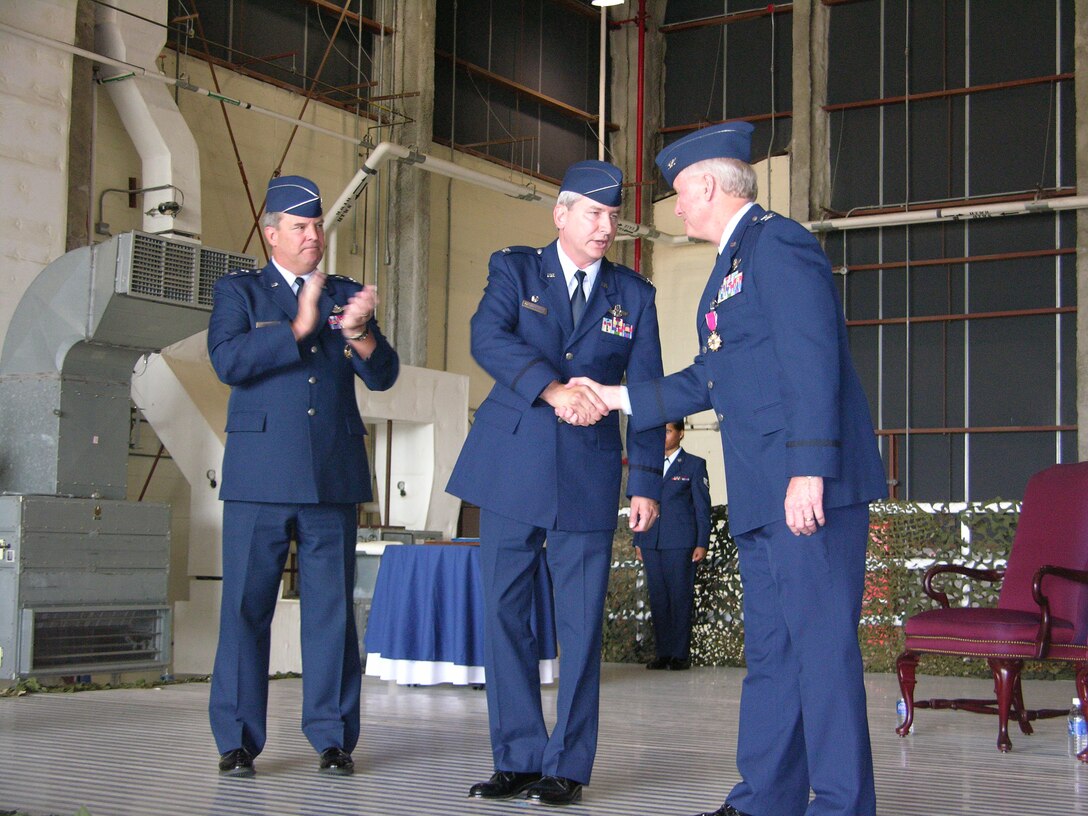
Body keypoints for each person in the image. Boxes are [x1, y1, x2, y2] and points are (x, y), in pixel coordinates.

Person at [564, 122, 886, 816]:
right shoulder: (729, 270)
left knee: (822, 654)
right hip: (764, 492)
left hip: (807, 491)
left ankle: (840, 804)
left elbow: (813, 358)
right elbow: (708, 376)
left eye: (678, 194)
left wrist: (809, 471)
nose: (675, 209)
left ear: (707, 185)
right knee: (771, 652)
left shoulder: (781, 246)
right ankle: (765, 798)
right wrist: (617, 396)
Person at [445, 160, 664, 806]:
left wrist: (645, 482)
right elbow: (486, 337)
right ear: (560, 214)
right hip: (511, 469)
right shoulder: (514, 270)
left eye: (613, 216)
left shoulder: (635, 296)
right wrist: (553, 387)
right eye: (593, 214)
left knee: (579, 626)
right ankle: (515, 756)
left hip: (588, 478)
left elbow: (648, 395)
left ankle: (566, 763)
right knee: (505, 616)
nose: (606, 227)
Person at [206, 174, 399, 778]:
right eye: (300, 227)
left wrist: (360, 331)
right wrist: (298, 328)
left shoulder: (345, 294)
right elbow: (227, 361)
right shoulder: (241, 292)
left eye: (316, 226)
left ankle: (333, 738)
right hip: (259, 477)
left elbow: (385, 375)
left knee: (331, 613)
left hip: (331, 479)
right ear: (271, 233)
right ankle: (237, 741)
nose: (312, 235)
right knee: (245, 609)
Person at [635, 420, 711, 671]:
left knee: (679, 597)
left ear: (681, 433)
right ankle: (663, 653)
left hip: (680, 542)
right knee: (658, 599)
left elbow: (702, 509)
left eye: (668, 431)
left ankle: (679, 654)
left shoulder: (694, 465)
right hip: (652, 541)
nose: (664, 436)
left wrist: (702, 542)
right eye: (661, 432)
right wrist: (639, 540)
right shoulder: (650, 465)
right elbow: (640, 504)